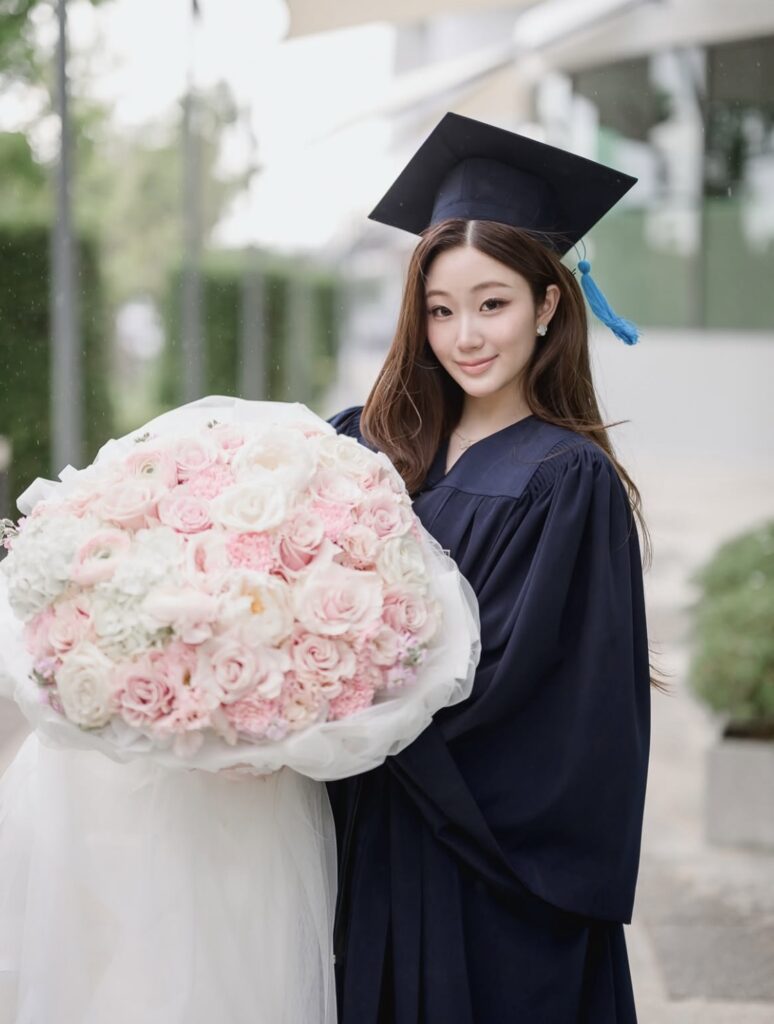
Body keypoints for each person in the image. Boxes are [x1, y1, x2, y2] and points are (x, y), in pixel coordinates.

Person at [327, 112, 652, 1023]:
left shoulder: (565, 477)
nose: (464, 334)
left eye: (492, 303)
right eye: (440, 308)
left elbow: (556, 702)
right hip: (364, 837)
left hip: (488, 863)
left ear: (548, 305)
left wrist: (359, 723)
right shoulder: (366, 441)